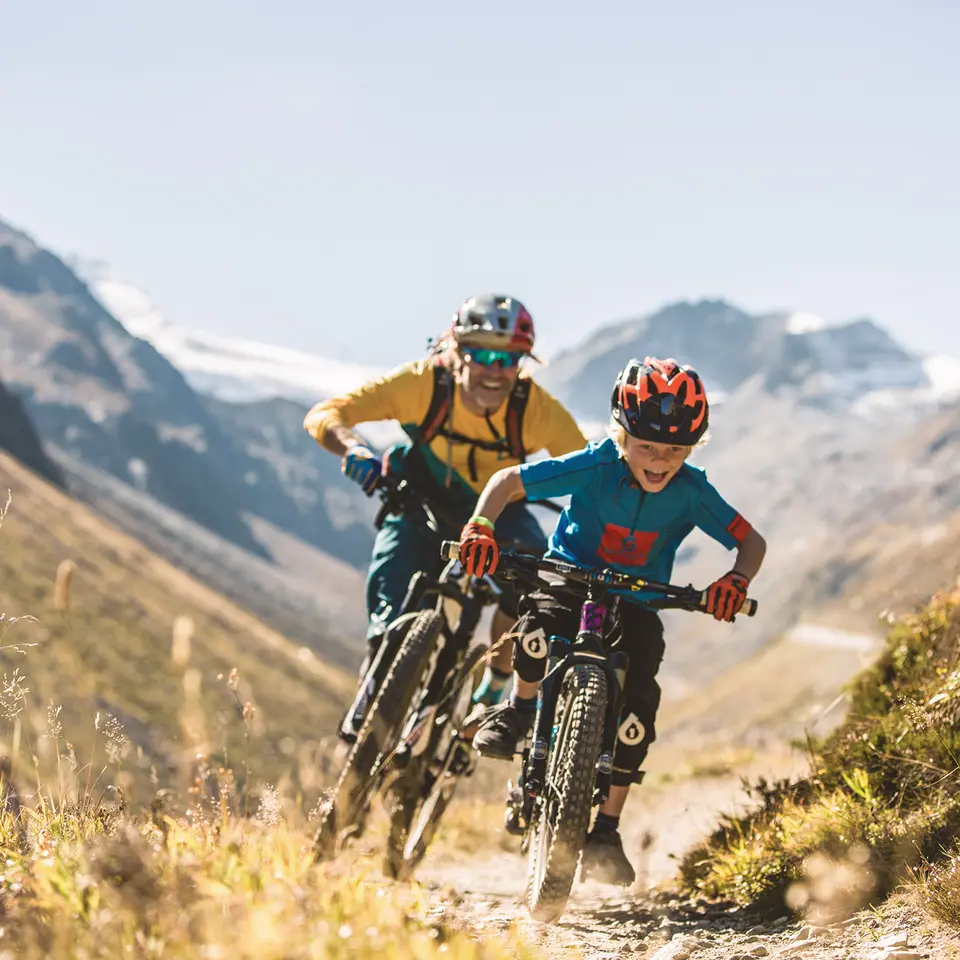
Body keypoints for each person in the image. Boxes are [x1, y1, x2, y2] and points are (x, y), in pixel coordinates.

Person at [456, 356, 767, 886]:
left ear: (692, 448)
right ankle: (518, 709)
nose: (660, 460)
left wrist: (736, 580)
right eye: (647, 446)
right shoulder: (596, 465)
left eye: (674, 450)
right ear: (620, 435)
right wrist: (482, 524)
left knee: (639, 704)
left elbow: (750, 542)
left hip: (638, 602)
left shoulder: (692, 491)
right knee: (535, 624)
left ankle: (606, 827)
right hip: (568, 578)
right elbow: (509, 480)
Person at [304, 294, 587, 741]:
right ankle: (378, 680)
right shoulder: (423, 385)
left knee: (530, 587)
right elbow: (327, 414)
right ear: (455, 349)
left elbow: (589, 470)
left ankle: (494, 685)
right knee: (393, 597)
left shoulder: (536, 409)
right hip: (422, 502)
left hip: (497, 516)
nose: (495, 370)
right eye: (482, 353)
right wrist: (353, 448)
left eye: (510, 358)